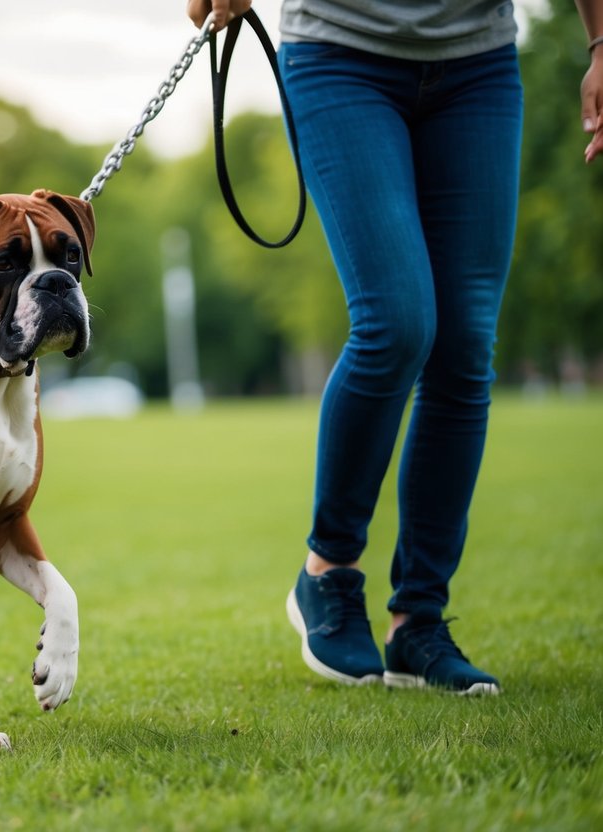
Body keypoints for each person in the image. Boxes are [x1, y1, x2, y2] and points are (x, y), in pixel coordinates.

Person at [187, 0, 603, 694]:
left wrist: (599, 40)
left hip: (479, 63)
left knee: (465, 345)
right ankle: (328, 573)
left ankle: (418, 621)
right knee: (397, 321)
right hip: (338, 56)